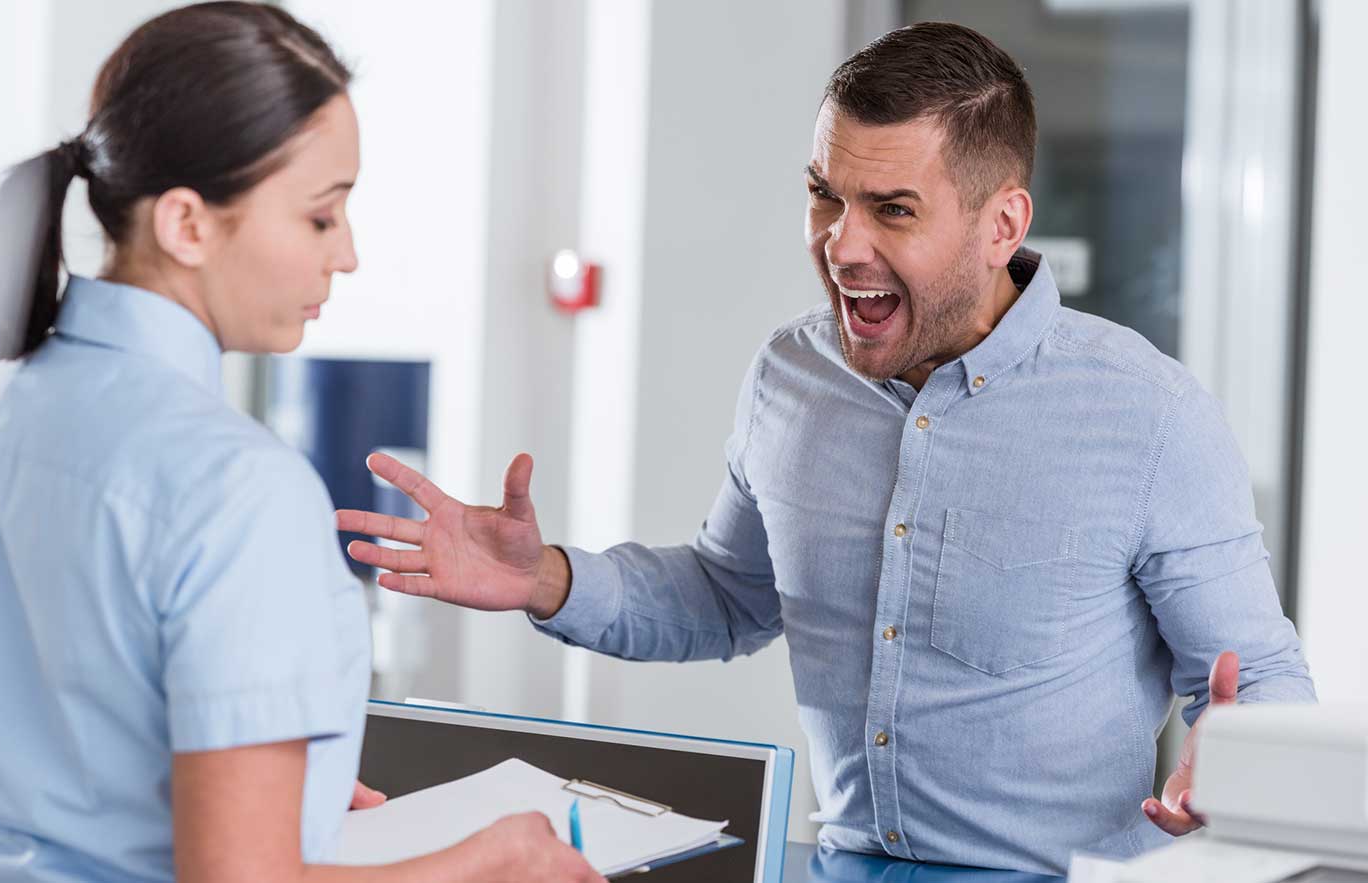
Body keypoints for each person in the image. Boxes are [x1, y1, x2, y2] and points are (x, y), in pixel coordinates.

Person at [337, 21, 1316, 876]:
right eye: (823, 196)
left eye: (891, 209)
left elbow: (1256, 676)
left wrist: (1231, 761)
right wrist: (546, 578)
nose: (838, 245)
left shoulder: (1147, 414)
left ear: (1000, 223)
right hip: (839, 863)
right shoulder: (789, 376)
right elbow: (726, 596)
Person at [0, 4, 602, 882]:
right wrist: (488, 863)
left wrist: (269, 787)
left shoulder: (5, 411)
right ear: (187, 224)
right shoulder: (234, 485)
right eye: (320, 217)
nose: (347, 254)